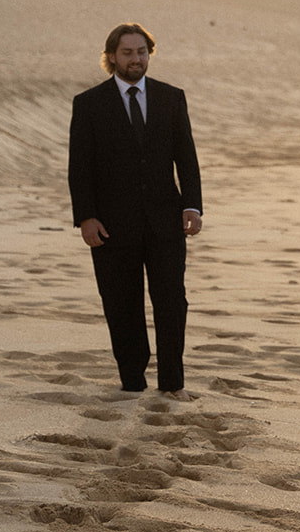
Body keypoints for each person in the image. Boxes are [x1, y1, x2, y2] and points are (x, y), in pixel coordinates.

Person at [68, 23, 203, 400]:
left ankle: (173, 383)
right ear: (112, 56)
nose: (135, 59)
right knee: (121, 304)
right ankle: (132, 382)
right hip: (111, 225)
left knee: (172, 302)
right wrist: (86, 217)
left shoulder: (170, 97)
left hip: (166, 221)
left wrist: (192, 205)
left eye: (141, 51)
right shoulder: (89, 103)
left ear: (149, 54)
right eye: (127, 53)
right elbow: (80, 168)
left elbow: (186, 158)